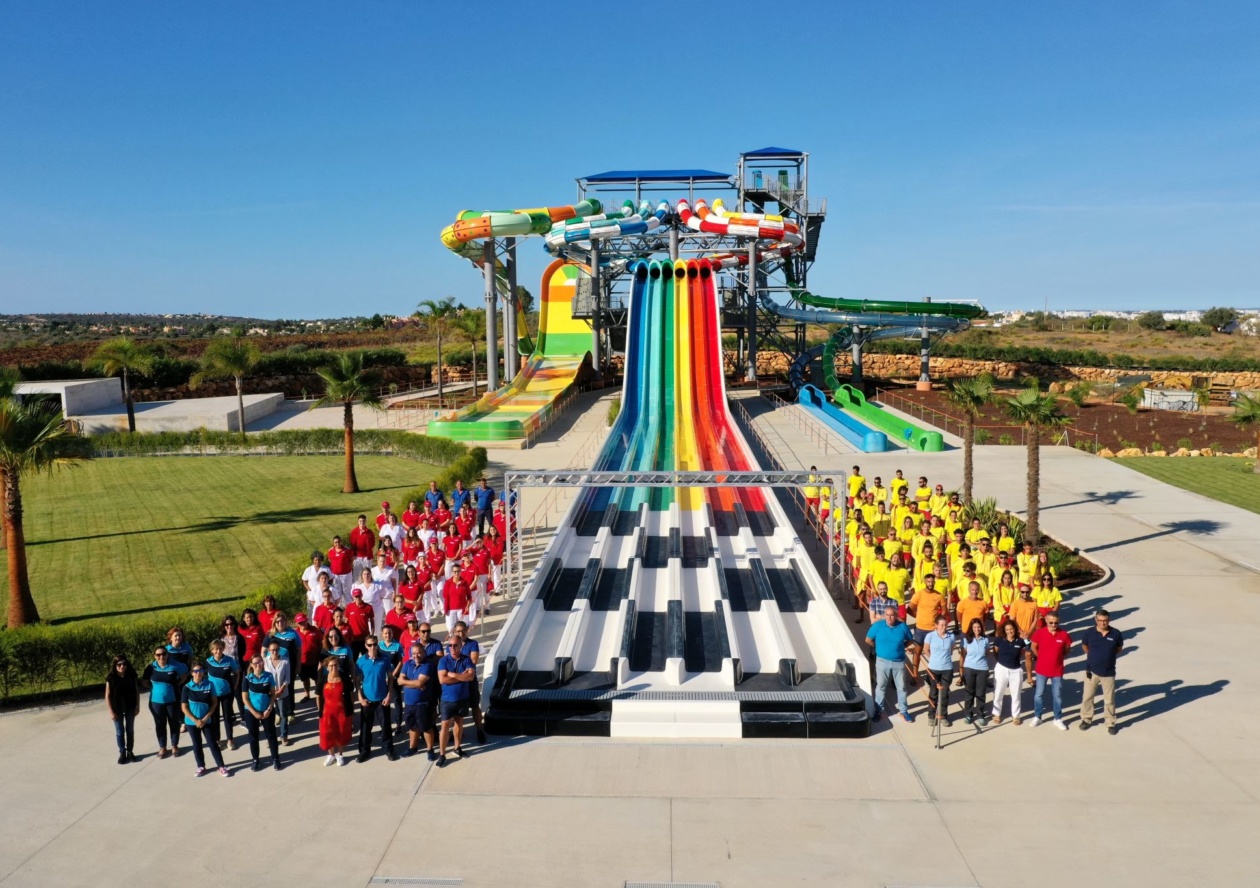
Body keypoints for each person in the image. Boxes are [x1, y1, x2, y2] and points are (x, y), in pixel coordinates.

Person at [864, 606, 914, 722]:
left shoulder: (903, 627)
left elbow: (910, 640)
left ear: (896, 616)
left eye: (892, 615)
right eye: (887, 615)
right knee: (881, 686)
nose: (890, 617)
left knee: (901, 687)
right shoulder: (877, 626)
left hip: (899, 662)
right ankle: (879, 710)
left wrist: (902, 648)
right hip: (882, 662)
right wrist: (878, 649)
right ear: (884, 615)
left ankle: (903, 711)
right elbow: (868, 640)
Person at [181, 662, 230, 777]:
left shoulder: (210, 684)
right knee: (197, 745)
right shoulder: (187, 687)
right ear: (192, 673)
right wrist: (195, 720)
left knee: (213, 744)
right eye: (196, 671)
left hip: (206, 720)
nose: (198, 673)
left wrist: (206, 717)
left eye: (200, 671)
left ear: (204, 672)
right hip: (192, 722)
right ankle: (201, 766)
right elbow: (184, 707)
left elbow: (214, 703)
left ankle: (221, 766)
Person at [1079, 608, 1124, 735]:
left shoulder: (1116, 634)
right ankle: (1086, 719)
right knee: (1087, 697)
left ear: (1109, 620)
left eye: (1105, 621)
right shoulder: (1089, 633)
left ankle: (1110, 722)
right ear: (1096, 620)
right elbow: (1085, 646)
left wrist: (1108, 657)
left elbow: (1119, 648)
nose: (1103, 623)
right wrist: (1094, 657)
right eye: (1100, 620)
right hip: (1091, 671)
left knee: (1109, 700)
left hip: (1109, 672)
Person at [355, 635, 397, 762]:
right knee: (365, 727)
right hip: (367, 700)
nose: (372, 647)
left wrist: (389, 694)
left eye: (374, 644)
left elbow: (390, 678)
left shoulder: (385, 659)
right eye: (369, 645)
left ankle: (388, 749)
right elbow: (357, 682)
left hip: (382, 699)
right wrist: (360, 698)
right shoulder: (360, 661)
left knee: (386, 726)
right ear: (365, 646)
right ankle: (364, 751)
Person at [436, 635, 476, 766]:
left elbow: (470, 677)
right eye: (450, 645)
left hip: (462, 698)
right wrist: (461, 676)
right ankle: (442, 754)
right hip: (447, 700)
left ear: (460, 646)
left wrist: (452, 675)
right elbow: (442, 680)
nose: (452, 648)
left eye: (455, 645)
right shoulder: (443, 661)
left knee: (459, 722)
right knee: (445, 726)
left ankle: (457, 747)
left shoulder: (466, 659)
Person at [142, 646, 188, 758]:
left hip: (173, 700)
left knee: (174, 723)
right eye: (158, 655)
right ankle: (162, 747)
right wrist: (154, 688)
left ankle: (174, 745)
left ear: (167, 654)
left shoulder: (175, 665)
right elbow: (144, 682)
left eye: (163, 654)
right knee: (160, 724)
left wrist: (176, 684)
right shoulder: (151, 667)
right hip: (155, 702)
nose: (161, 656)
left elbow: (184, 675)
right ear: (155, 656)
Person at [1029, 613, 1072, 730]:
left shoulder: (1064, 635)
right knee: (1039, 694)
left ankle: (1057, 719)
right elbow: (1033, 647)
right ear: (1046, 621)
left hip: (1057, 671)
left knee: (1057, 696)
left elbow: (1067, 649)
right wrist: (1040, 657)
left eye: (1056, 622)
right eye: (1051, 622)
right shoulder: (1039, 633)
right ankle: (1038, 716)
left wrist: (1059, 658)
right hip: (1041, 670)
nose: (1053, 625)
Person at [241, 654, 282, 772]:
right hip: (251, 712)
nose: (258, 665)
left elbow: (273, 694)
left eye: (260, 662)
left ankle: (275, 758)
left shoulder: (269, 676)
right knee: (253, 737)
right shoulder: (247, 679)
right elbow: (245, 698)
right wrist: (254, 712)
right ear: (251, 665)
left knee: (271, 735)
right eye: (255, 663)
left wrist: (269, 709)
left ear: (263, 663)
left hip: (267, 711)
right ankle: (255, 760)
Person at [398, 642, 437, 759]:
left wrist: (409, 683)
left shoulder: (427, 666)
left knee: (426, 727)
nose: (416, 655)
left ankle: (430, 750)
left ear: (424, 653)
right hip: (409, 703)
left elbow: (419, 682)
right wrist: (415, 684)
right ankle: (413, 748)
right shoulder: (407, 663)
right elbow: (399, 680)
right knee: (412, 727)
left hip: (423, 704)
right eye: (414, 653)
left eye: (419, 653)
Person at [450, 621, 487, 744]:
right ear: (454, 632)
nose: (461, 633)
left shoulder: (473, 644)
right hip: (457, 683)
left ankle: (479, 730)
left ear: (467, 630)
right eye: (458, 631)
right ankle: (458, 732)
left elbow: (474, 661)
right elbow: (449, 663)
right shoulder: (451, 644)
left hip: (470, 682)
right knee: (457, 710)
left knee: (475, 706)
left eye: (463, 630)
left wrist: (457, 669)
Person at [990, 619, 1032, 725]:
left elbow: (1029, 648)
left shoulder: (1020, 640)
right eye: (1007, 629)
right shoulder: (1000, 639)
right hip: (1001, 668)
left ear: (1015, 629)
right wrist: (1001, 662)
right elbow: (995, 651)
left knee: (1016, 694)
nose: (1009, 631)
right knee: (999, 692)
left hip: (1016, 670)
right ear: (1004, 630)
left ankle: (1016, 716)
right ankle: (996, 714)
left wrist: (1026, 639)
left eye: (1011, 629)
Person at [921, 616, 959, 727]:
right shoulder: (930, 636)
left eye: (945, 624)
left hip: (947, 669)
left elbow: (951, 650)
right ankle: (931, 716)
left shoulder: (951, 636)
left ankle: (943, 716)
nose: (944, 627)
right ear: (936, 625)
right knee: (933, 693)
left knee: (945, 694)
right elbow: (926, 650)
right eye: (941, 625)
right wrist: (934, 659)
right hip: (933, 669)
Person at [906, 574, 946, 679]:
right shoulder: (919, 594)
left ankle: (933, 674)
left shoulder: (939, 595)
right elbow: (909, 609)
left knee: (933, 653)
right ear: (925, 582)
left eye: (932, 582)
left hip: (933, 630)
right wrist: (917, 616)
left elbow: (944, 612)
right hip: (920, 629)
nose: (931, 584)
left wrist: (938, 623)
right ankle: (915, 675)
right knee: (917, 652)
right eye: (929, 581)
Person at [204, 639, 239, 751]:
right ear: (212, 651)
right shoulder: (208, 662)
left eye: (220, 648)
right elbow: (203, 677)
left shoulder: (229, 660)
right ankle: (217, 740)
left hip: (227, 693)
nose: (218, 651)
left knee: (228, 717)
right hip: (213, 695)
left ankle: (230, 739)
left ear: (223, 648)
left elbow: (237, 673)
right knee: (214, 718)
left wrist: (235, 686)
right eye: (216, 649)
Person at [318, 656, 354, 766]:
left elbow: (351, 694)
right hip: (327, 712)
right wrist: (320, 711)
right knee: (328, 733)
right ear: (327, 667)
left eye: (336, 665)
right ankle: (331, 755)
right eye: (331, 665)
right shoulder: (323, 678)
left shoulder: (345, 678)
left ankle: (340, 754)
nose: (334, 667)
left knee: (341, 732)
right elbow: (318, 696)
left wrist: (351, 710)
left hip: (342, 711)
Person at [105, 655, 140, 764]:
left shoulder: (131, 676)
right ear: (115, 666)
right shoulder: (110, 678)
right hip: (117, 709)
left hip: (130, 707)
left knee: (130, 731)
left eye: (124, 664)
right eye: (119, 664)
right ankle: (122, 752)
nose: (122, 666)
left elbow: (137, 691)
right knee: (120, 732)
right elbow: (107, 696)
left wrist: (137, 706)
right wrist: (110, 711)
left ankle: (130, 751)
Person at [959, 618, 991, 726]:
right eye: (974, 627)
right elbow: (963, 656)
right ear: (971, 628)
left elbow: (987, 653)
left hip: (982, 669)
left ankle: (980, 715)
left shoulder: (985, 640)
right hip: (969, 668)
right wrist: (961, 672)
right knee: (969, 693)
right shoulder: (966, 640)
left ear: (981, 628)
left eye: (978, 627)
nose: (976, 629)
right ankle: (968, 714)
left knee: (981, 694)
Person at [263, 641, 293, 746]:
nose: (274, 652)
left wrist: (281, 690)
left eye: (276, 649)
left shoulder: (285, 661)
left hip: (282, 692)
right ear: (269, 651)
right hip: (269, 693)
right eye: (272, 650)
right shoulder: (265, 661)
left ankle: (283, 736)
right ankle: (270, 737)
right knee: (269, 716)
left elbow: (287, 679)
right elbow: (263, 677)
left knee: (283, 715)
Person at [294, 614, 323, 704]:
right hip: (302, 661)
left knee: (317, 679)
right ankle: (307, 694)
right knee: (305, 679)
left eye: (303, 621)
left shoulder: (315, 630)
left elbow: (321, 645)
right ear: (297, 624)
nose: (302, 624)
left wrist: (321, 660)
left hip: (315, 660)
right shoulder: (295, 633)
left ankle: (320, 694)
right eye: (300, 623)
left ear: (307, 620)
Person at [302, 551, 333, 619]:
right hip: (311, 594)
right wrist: (309, 589)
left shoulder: (326, 569)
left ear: (321, 560)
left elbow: (331, 579)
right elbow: (304, 581)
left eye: (319, 559)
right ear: (313, 560)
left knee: (324, 610)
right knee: (311, 611)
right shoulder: (308, 570)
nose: (317, 561)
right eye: (316, 559)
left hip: (323, 594)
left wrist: (327, 588)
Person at [344, 587, 374, 656]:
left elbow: (372, 621)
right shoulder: (349, 607)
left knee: (366, 657)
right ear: (353, 597)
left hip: (364, 637)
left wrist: (372, 633)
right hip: (353, 638)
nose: (357, 598)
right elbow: (346, 621)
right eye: (356, 596)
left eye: (359, 596)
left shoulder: (368, 607)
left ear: (362, 595)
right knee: (353, 659)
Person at [327, 534, 355, 602]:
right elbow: (330, 560)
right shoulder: (330, 551)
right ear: (333, 543)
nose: (337, 543)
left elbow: (351, 560)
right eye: (335, 542)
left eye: (338, 541)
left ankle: (348, 606)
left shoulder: (347, 550)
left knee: (347, 591)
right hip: (335, 575)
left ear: (341, 542)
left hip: (346, 574)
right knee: (337, 592)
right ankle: (339, 608)